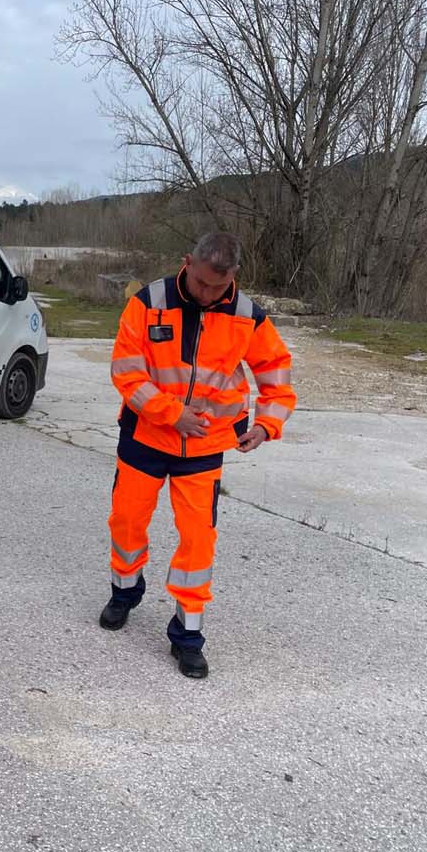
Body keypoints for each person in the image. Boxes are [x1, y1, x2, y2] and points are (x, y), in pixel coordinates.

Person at [99, 231, 296, 679]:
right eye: (202, 282)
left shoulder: (248, 316)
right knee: (126, 521)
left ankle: (187, 636)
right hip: (144, 439)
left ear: (234, 276)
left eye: (218, 286)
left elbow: (277, 375)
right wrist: (172, 414)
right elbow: (126, 371)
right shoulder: (147, 302)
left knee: (198, 542)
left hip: (204, 448)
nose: (208, 294)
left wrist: (267, 425)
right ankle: (124, 591)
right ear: (186, 262)